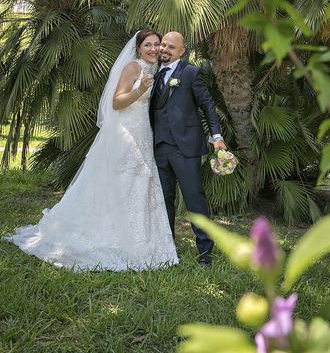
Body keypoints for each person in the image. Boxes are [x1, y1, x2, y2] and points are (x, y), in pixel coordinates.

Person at [4, 30, 179, 271]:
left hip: (143, 133)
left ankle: (139, 237)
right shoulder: (133, 68)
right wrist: (139, 91)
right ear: (138, 48)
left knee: (138, 182)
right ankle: (110, 236)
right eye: (147, 44)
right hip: (125, 133)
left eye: (157, 44)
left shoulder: (153, 70)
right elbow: (116, 101)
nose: (152, 48)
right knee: (123, 179)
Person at [150, 31, 226, 266]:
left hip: (186, 148)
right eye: (163, 44)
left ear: (182, 51)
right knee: (165, 200)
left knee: (194, 200)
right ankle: (167, 247)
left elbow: (207, 106)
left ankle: (205, 252)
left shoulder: (191, 73)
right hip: (159, 146)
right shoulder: (151, 74)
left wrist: (217, 136)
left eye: (171, 47)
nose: (165, 49)